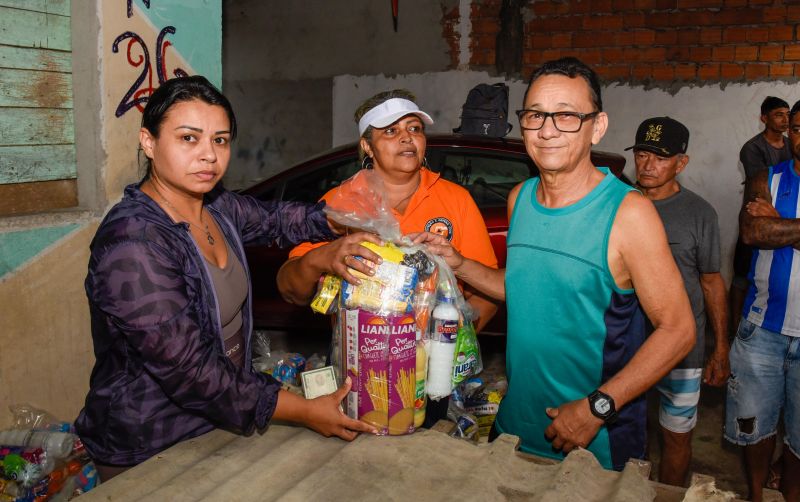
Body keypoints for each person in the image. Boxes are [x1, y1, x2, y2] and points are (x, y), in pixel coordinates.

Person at [75, 76, 376, 482]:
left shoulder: (215, 206)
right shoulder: (133, 243)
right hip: (151, 445)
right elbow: (194, 374)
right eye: (188, 138)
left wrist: (349, 221)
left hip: (219, 422)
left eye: (220, 140)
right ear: (149, 142)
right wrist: (303, 410)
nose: (208, 156)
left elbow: (276, 220)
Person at [414, 57, 695, 471]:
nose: (546, 130)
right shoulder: (521, 198)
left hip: (594, 439)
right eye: (535, 116)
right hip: (514, 427)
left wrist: (597, 407)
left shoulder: (628, 213)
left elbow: (679, 330)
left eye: (565, 116)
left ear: (596, 126)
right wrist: (460, 263)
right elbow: (525, 290)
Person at [277, 89, 499, 425]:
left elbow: (487, 289)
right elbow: (290, 288)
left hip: (430, 373)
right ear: (367, 145)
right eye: (391, 131)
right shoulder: (340, 205)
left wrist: (449, 349)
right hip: (356, 368)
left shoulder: (456, 200)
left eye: (414, 128)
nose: (407, 139)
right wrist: (322, 257)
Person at [627, 117, 730, 486]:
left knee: (676, 435)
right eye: (641, 154)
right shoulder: (617, 205)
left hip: (683, 349)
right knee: (621, 431)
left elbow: (711, 283)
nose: (648, 164)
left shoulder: (700, 214)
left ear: (681, 163)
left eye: (660, 156)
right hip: (627, 345)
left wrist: (720, 349)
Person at [725, 99, 800, 502]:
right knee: (753, 429)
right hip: (763, 330)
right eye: (799, 128)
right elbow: (753, 234)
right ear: (790, 134)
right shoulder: (763, 178)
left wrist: (779, 224)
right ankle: (755, 495)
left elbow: (770, 230)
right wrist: (765, 223)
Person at [731, 98, 792, 346]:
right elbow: (764, 189)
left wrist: (779, 219)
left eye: (787, 115)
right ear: (763, 118)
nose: (785, 120)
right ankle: (734, 329)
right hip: (755, 213)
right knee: (742, 275)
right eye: (778, 115)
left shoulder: (791, 144)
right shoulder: (752, 148)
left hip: (782, 217)